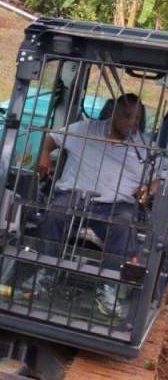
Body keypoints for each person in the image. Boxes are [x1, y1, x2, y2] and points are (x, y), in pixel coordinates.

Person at [34, 93, 157, 318]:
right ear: (113, 114)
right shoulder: (85, 129)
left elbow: (161, 175)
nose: (133, 123)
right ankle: (46, 272)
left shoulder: (147, 147)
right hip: (75, 196)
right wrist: (43, 153)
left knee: (124, 224)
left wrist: (150, 188)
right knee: (55, 213)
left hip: (117, 205)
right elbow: (51, 138)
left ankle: (108, 287)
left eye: (138, 118)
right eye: (128, 117)